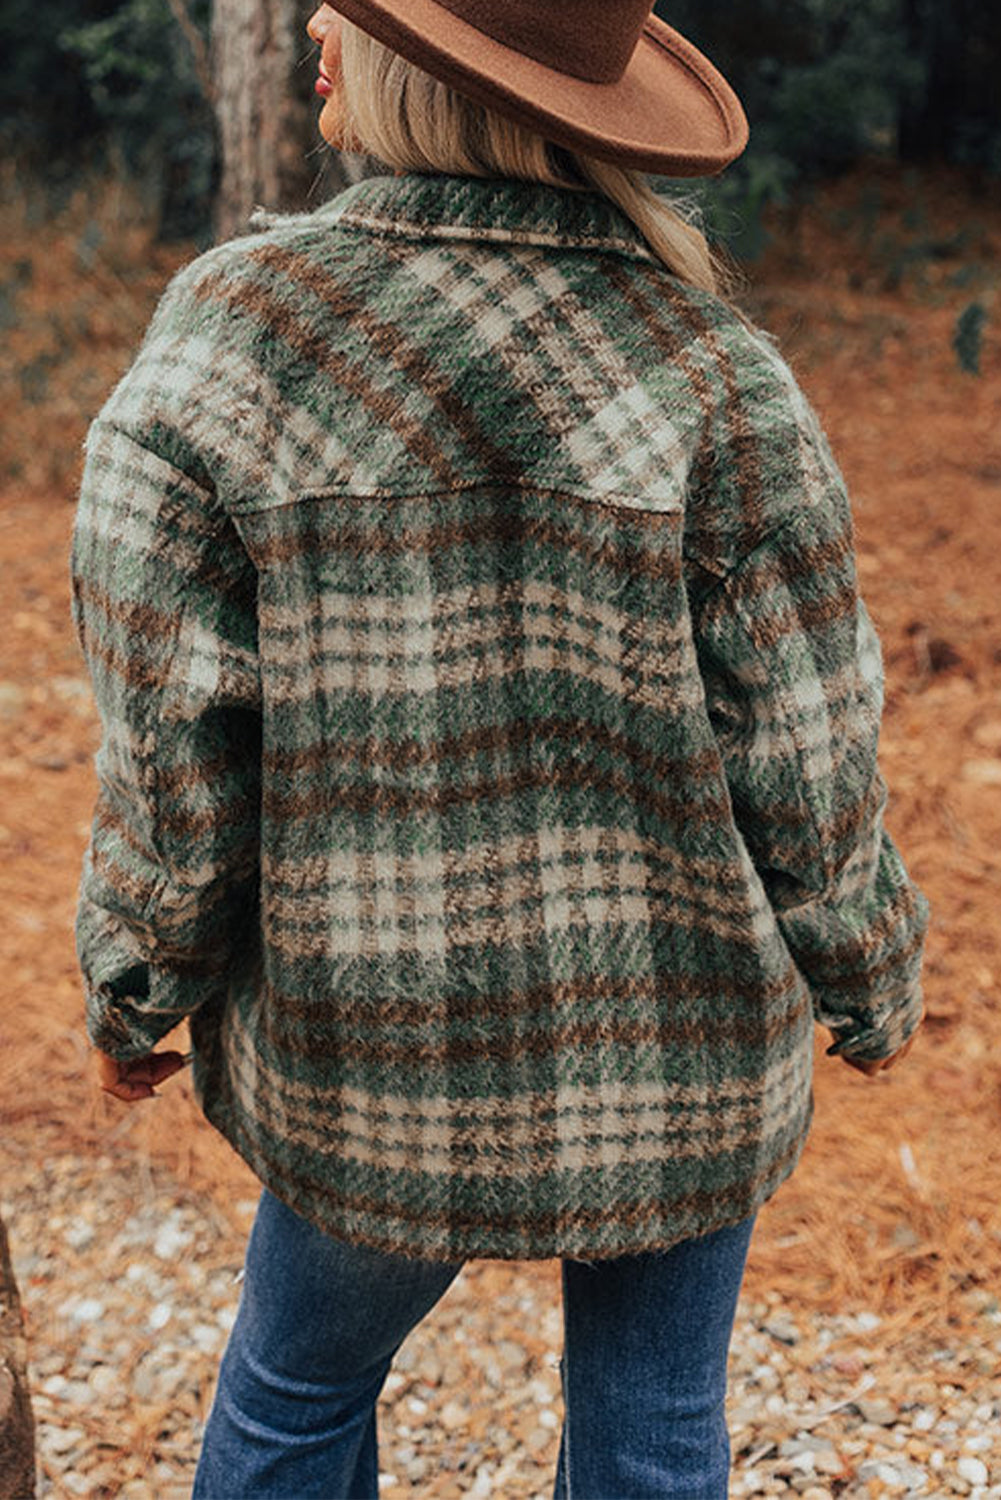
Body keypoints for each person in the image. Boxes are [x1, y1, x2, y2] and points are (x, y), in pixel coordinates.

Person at [72, 2, 928, 1495]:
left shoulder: (244, 333)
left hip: (370, 1052)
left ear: (429, 71)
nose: (316, 24)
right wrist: (865, 967)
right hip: (678, 1051)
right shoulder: (711, 367)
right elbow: (808, 737)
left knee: (294, 1397)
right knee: (655, 1427)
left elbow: (172, 722)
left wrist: (142, 972)